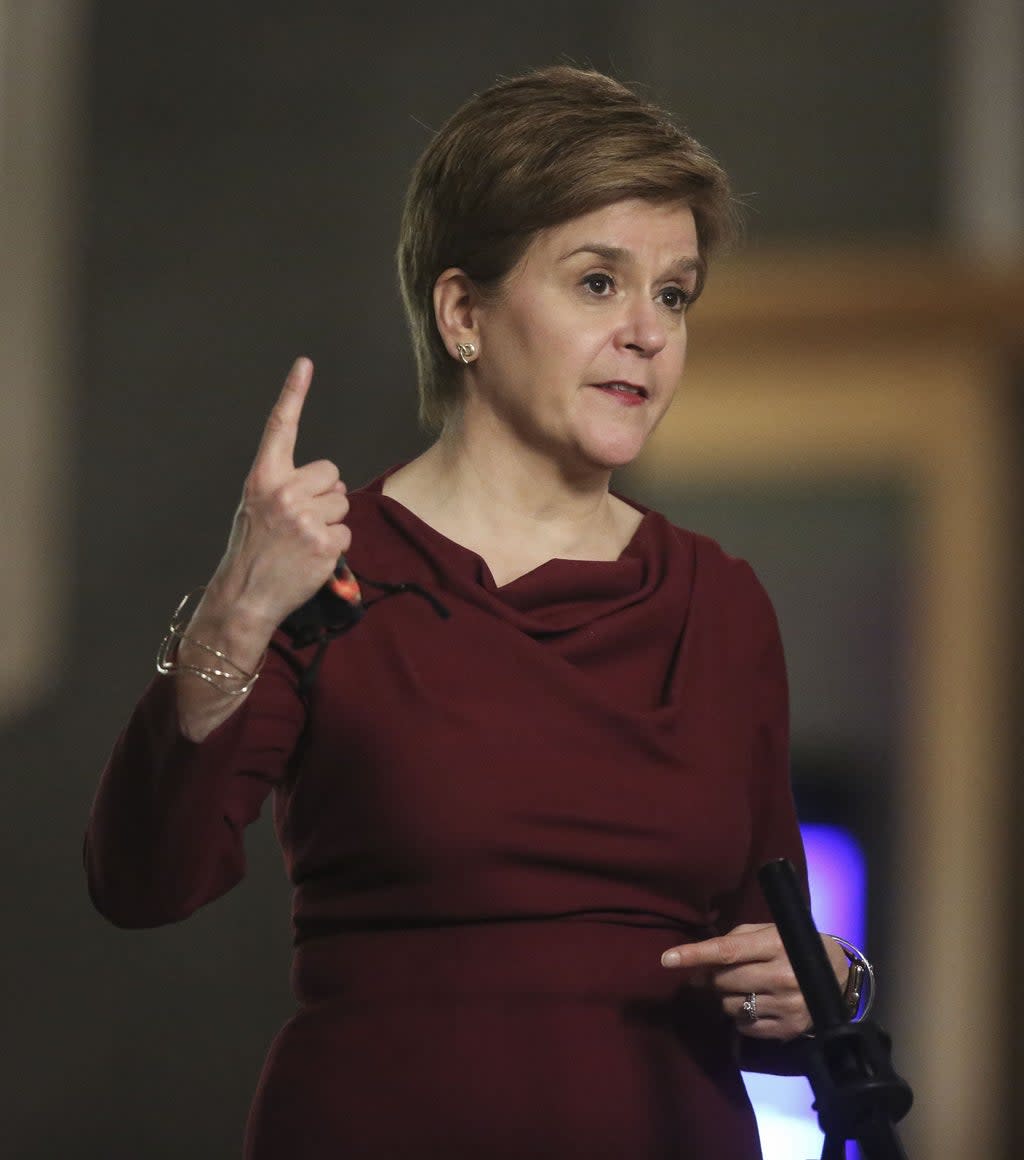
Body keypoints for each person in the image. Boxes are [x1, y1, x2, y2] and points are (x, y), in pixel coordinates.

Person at [85, 65, 865, 1159]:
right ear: (463, 311)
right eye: (599, 282)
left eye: (674, 293)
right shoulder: (327, 569)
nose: (646, 330)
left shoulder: (718, 602)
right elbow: (142, 879)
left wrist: (825, 983)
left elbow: (766, 962)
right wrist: (236, 613)